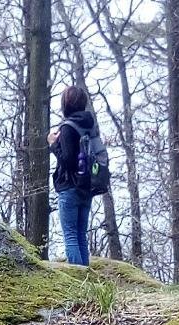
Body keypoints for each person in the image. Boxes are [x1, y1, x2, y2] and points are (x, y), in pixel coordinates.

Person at [48, 86, 98, 267]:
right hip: (87, 187)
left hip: (70, 187)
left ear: (65, 104)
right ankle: (88, 282)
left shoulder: (68, 127)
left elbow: (67, 161)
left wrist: (53, 144)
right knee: (80, 236)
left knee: (70, 236)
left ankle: (79, 282)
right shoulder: (90, 126)